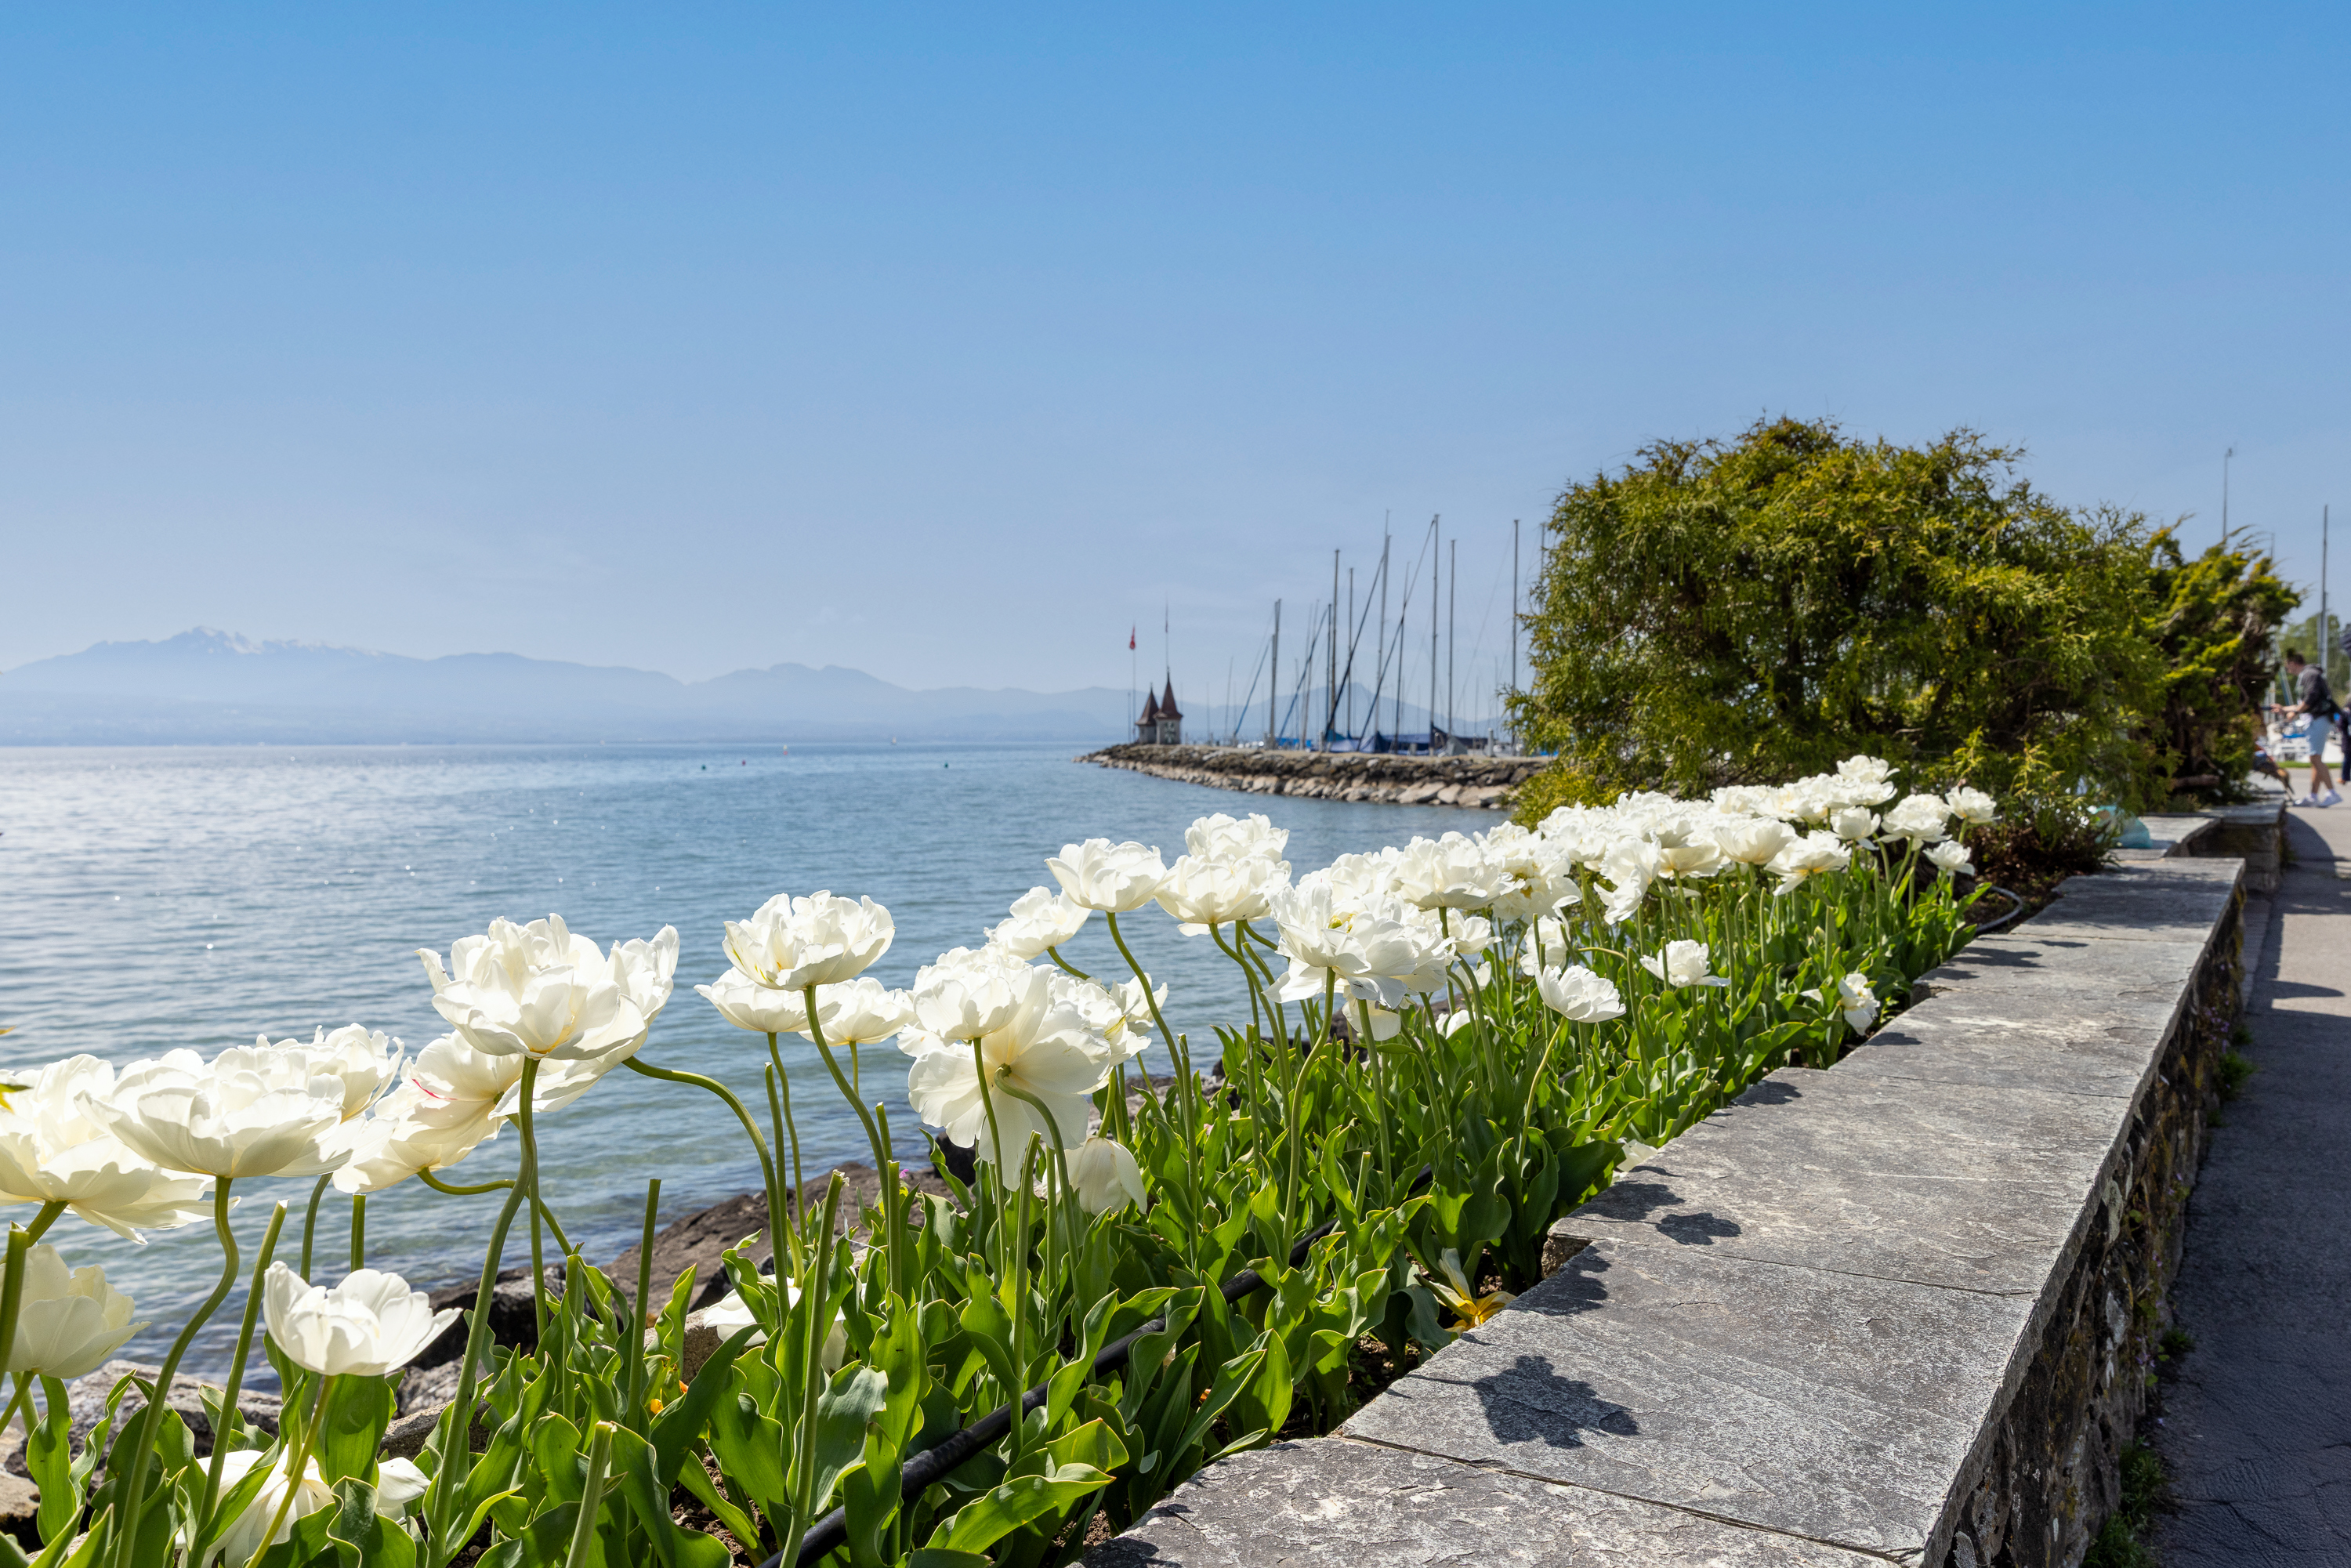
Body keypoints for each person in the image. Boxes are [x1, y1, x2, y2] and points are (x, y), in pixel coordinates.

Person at [2280, 649, 2342, 806]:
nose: (2288, 671)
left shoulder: (2310, 675)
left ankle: (2332, 792)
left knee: (2314, 757)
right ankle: (2313, 796)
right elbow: (2307, 702)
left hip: (2318, 720)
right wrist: (2285, 709)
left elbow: (2311, 698)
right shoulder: (2309, 674)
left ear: (2293, 664)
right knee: (2315, 758)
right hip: (2316, 719)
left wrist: (2294, 712)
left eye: (2288, 667)